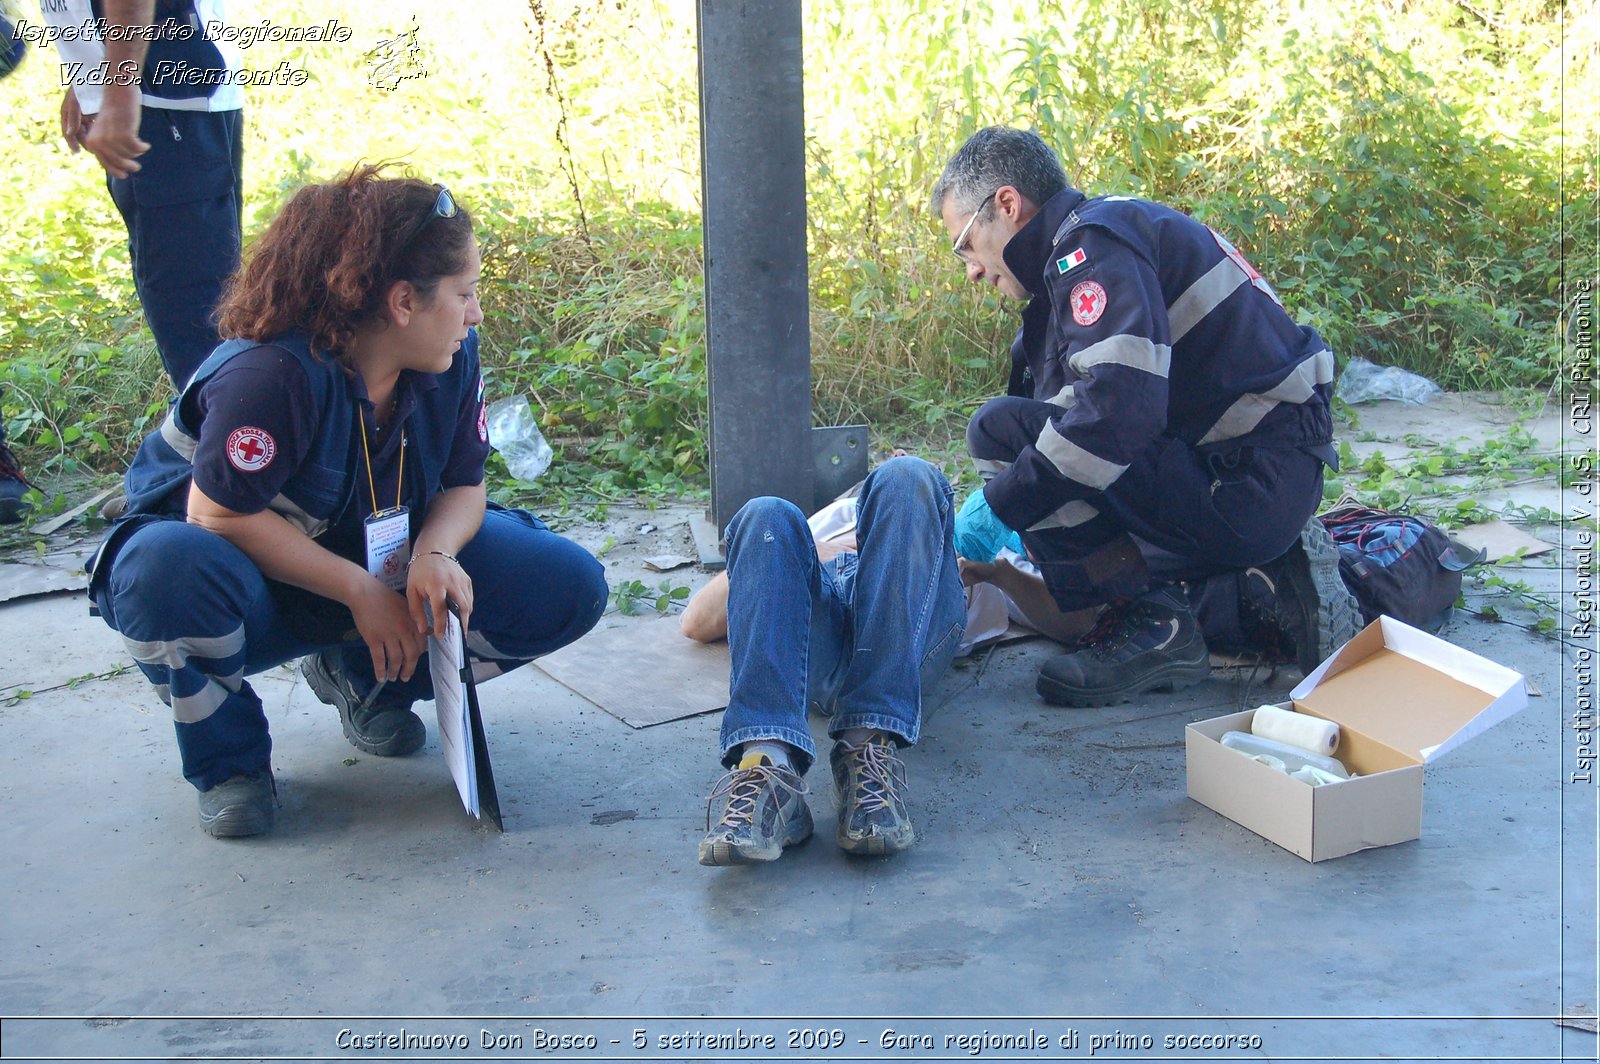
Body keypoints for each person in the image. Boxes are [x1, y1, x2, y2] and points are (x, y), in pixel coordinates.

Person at [86, 166, 609, 838]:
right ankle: (231, 764)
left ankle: (364, 677)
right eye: (466, 293)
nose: (476, 313)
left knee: (565, 585)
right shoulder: (272, 374)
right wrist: (362, 593)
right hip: (240, 587)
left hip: (358, 559)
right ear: (401, 302)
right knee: (164, 569)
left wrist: (435, 552)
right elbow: (217, 515)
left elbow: (463, 483)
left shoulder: (451, 356)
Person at [931, 126, 1360, 707]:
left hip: (1243, 479)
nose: (973, 272)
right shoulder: (1110, 231)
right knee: (1062, 473)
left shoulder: (1089, 249)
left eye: (965, 246)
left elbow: (1115, 413)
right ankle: (1252, 575)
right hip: (1260, 468)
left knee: (1000, 432)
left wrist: (1001, 504)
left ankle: (1152, 625)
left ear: (1006, 205)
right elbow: (1084, 410)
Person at [682, 456, 967, 864]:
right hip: (820, 637)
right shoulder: (812, 526)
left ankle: (868, 742)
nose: (899, 452)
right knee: (766, 512)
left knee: (909, 477)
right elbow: (697, 621)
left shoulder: (923, 507)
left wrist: (908, 525)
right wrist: (804, 552)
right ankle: (769, 766)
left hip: (905, 635)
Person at [43, 0, 245, 390]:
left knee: (198, 327)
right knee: (197, 312)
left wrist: (119, 95)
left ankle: (222, 440)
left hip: (163, 105)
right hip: (157, 97)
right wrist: (87, 79)